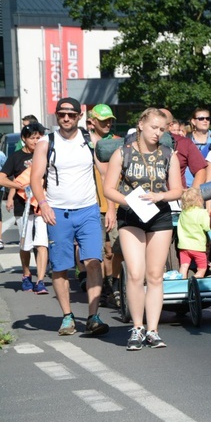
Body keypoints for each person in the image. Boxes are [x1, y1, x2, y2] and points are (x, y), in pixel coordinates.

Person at [103, 108, 183, 350]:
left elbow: (178, 190)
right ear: (140, 125)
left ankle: (153, 330)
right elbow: (109, 188)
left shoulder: (169, 154)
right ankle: (137, 327)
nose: (157, 133)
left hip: (159, 215)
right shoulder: (122, 153)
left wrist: (160, 196)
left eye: (162, 129)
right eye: (153, 128)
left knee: (155, 275)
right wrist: (130, 202)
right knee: (136, 274)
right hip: (131, 215)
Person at [29, 98, 109, 336]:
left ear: (79, 116)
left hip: (88, 211)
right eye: (62, 114)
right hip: (58, 213)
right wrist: (43, 204)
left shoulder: (91, 141)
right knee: (61, 267)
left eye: (71, 115)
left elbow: (106, 174)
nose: (66, 118)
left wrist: (112, 208)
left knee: (94, 261)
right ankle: (67, 317)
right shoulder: (46, 143)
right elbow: (35, 178)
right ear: (56, 116)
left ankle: (93, 316)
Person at [0, 123, 49, 293]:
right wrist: (18, 186)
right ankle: (26, 273)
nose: (36, 141)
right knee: (25, 244)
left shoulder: (46, 154)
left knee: (42, 243)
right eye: (32, 137)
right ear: (24, 139)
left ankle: (41, 280)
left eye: (38, 137)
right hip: (23, 206)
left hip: (43, 205)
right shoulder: (16, 157)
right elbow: (1, 178)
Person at [88, 103, 121, 306]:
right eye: (103, 121)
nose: (107, 124)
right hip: (93, 205)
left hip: (116, 204)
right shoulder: (86, 144)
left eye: (109, 120)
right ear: (92, 122)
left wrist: (112, 206)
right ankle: (101, 290)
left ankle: (115, 285)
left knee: (116, 250)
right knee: (99, 253)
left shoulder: (118, 143)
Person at [177, 187, 210, 278]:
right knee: (202, 268)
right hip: (198, 246)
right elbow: (207, 227)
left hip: (183, 246)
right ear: (199, 199)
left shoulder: (183, 213)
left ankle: (182, 284)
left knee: (184, 266)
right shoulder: (202, 213)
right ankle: (194, 282)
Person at [186, 108, 211, 186]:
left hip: (210, 185)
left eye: (207, 118)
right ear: (193, 121)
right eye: (201, 118)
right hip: (189, 185)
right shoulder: (186, 140)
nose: (205, 121)